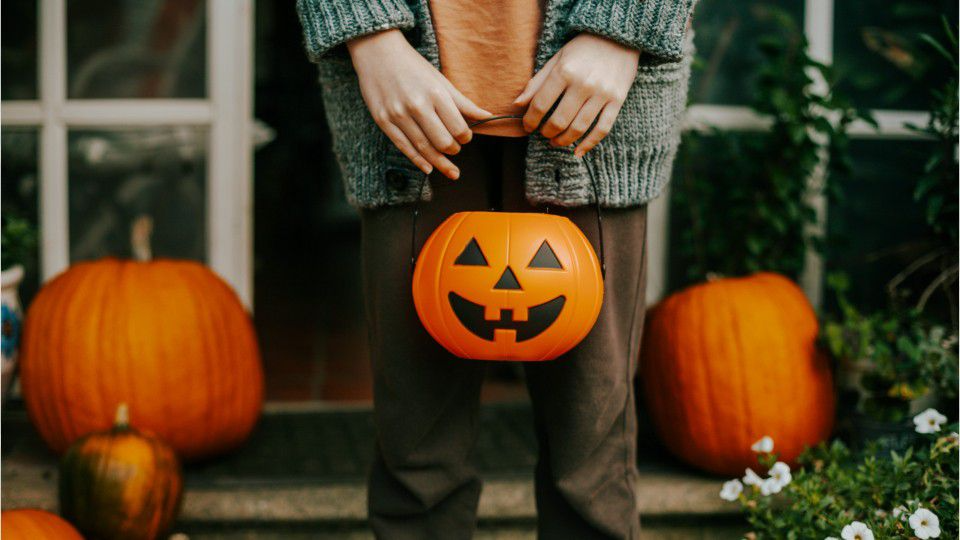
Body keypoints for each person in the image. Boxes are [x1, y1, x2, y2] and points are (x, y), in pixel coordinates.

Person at [296, 1, 695, 538]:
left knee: (592, 461)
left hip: (593, 110)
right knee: (416, 459)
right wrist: (370, 36)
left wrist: (621, 28)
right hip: (408, 116)